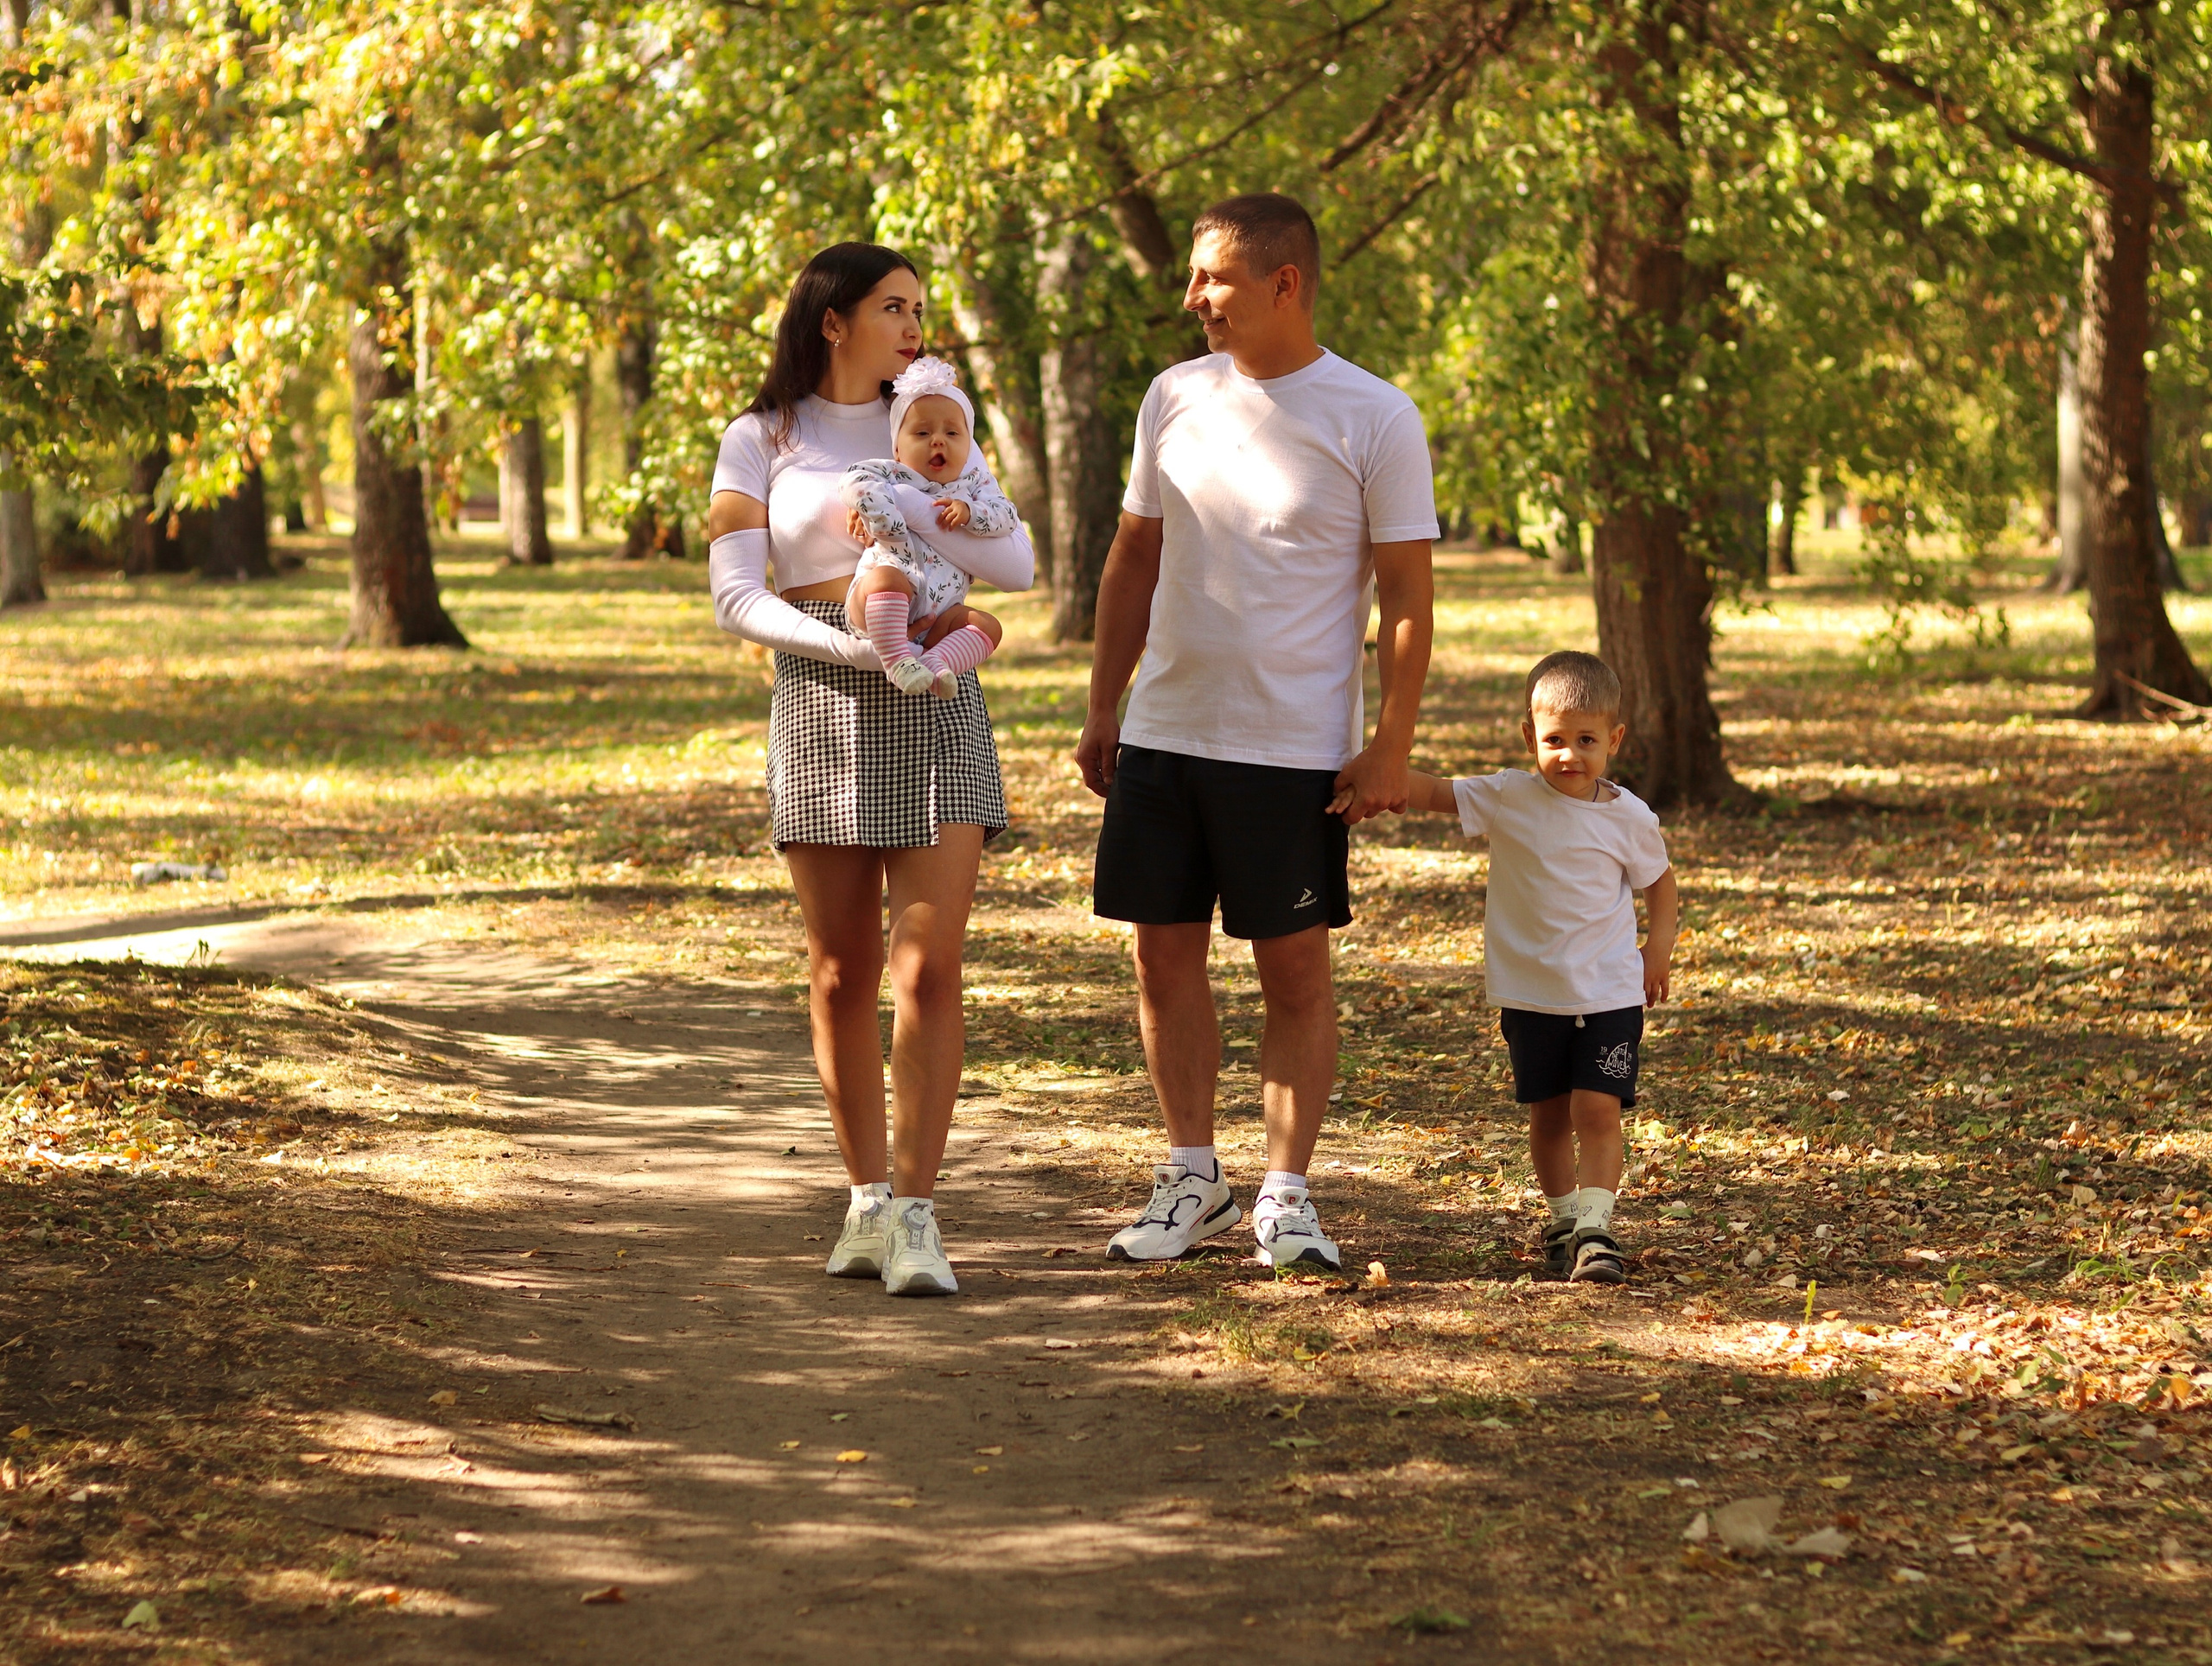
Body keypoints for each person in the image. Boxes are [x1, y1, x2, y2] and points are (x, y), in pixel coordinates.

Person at [1075, 193, 1437, 1274]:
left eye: (1214, 280)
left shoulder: (1374, 414)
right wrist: (1105, 704)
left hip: (1290, 750)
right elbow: (1133, 556)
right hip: (1165, 733)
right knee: (1160, 959)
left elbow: (1408, 595)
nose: (1193, 299)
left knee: (1294, 975)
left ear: (1285, 284)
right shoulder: (1172, 395)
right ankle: (1193, 1175)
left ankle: (1286, 1193)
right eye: (1194, 277)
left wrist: (1391, 742)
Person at [705, 244, 1034, 1297]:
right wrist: (848, 645)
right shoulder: (760, 439)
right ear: (833, 319)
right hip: (823, 693)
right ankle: (863, 1204)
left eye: (921, 309)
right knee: (842, 968)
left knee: (927, 966)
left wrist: (924, 528)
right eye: (894, 307)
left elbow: (1014, 560)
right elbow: (733, 594)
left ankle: (920, 1212)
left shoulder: (935, 421)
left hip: (933, 690)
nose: (914, 327)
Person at [1373, 651, 1679, 1285]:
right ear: (1528, 737)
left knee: (1597, 1109)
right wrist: (1375, 775)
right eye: (1555, 740)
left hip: (1609, 991)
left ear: (1614, 740)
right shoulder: (1510, 795)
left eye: (1587, 741)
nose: (1570, 754)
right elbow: (1433, 792)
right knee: (1547, 1113)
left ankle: (1597, 1230)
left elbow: (1661, 883)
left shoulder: (1628, 817)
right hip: (1532, 995)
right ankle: (1564, 1219)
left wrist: (1659, 949)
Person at [842, 356, 1014, 697]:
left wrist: (971, 513)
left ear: (969, 447)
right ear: (897, 449)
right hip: (880, 603)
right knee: (885, 578)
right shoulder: (892, 473)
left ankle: (937, 664)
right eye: (922, 433)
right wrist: (878, 512)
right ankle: (897, 662)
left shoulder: (974, 485)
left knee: (987, 625)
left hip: (941, 615)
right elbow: (855, 479)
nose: (938, 441)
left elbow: (1006, 515)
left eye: (952, 432)